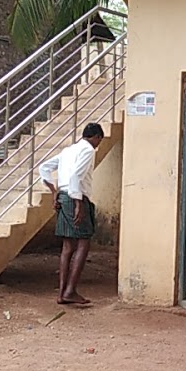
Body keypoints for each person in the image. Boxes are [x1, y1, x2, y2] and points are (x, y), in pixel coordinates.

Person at [39, 122, 105, 306]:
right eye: (99, 140)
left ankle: (62, 293)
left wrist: (54, 191)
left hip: (63, 196)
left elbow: (44, 168)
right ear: (97, 137)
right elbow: (76, 175)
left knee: (67, 246)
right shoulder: (88, 150)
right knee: (84, 242)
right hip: (76, 197)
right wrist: (78, 203)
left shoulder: (68, 150)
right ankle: (70, 291)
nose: (98, 144)